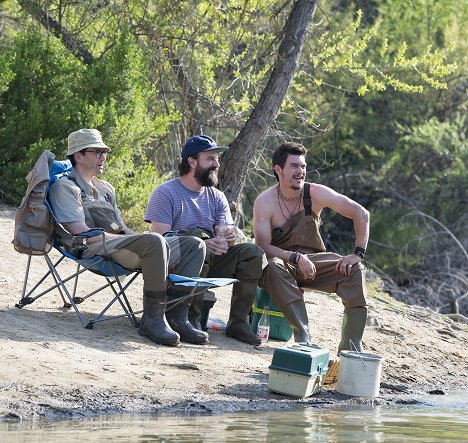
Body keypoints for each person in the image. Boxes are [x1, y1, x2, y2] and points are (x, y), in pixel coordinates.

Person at [48, 128, 208, 347]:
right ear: (79, 156)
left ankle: (176, 316)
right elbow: (80, 233)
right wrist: (145, 241)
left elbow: (122, 228)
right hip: (93, 248)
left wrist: (140, 238)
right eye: (97, 152)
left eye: (104, 152)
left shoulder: (106, 189)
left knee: (195, 245)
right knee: (154, 241)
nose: (103, 157)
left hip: (119, 244)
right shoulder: (66, 186)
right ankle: (152, 320)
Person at [145, 135, 267, 345]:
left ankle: (238, 323)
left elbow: (224, 232)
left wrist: (227, 236)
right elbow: (161, 239)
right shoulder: (166, 193)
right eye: (210, 159)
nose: (216, 164)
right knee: (199, 241)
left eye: (217, 159)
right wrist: (202, 242)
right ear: (192, 162)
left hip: (211, 261)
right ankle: (187, 319)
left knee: (252, 252)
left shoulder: (216, 196)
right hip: (177, 265)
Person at [253, 142, 369, 353]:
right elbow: (262, 246)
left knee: (353, 271)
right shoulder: (265, 201)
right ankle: (303, 337)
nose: (301, 172)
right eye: (294, 166)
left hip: (313, 266)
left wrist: (357, 254)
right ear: (278, 170)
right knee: (273, 266)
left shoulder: (315, 193)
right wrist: (295, 257)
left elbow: (361, 214)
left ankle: (351, 345)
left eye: (303, 166)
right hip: (280, 268)